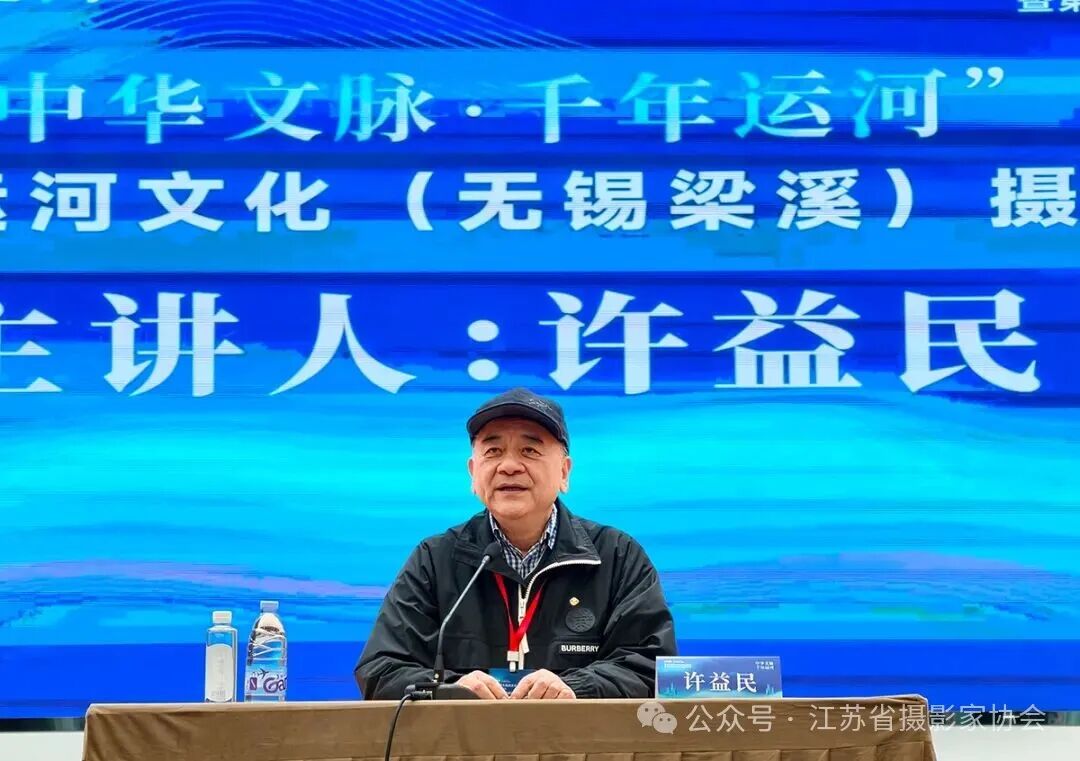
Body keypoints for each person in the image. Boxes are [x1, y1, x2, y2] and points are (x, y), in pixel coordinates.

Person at [355, 387, 676, 700]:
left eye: (529, 451)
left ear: (564, 472)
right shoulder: (435, 560)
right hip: (466, 736)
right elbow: (381, 669)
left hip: (576, 736)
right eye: (493, 451)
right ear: (473, 473)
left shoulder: (617, 556)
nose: (509, 466)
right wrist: (453, 689)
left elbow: (651, 667)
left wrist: (574, 689)